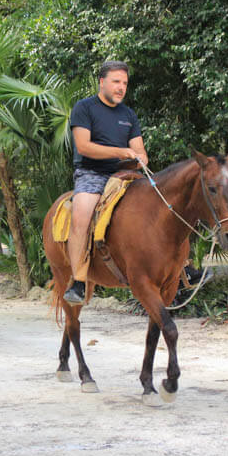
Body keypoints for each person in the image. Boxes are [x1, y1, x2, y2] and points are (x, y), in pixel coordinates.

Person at [63, 60, 149, 305]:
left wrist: (140, 158)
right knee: (81, 217)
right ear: (102, 82)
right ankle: (78, 280)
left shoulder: (129, 114)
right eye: (116, 82)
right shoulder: (84, 108)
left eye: (124, 83)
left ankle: (183, 268)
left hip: (125, 176)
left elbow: (140, 150)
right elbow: (84, 146)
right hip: (92, 174)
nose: (121, 87)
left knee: (159, 204)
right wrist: (121, 152)